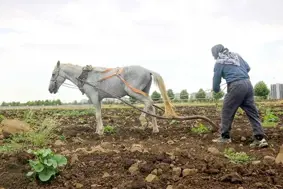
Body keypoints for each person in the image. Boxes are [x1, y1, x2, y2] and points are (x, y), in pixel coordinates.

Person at [211, 44, 268, 148]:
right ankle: (260, 138)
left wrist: (216, 89)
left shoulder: (219, 62)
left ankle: (225, 137)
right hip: (248, 84)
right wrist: (239, 74)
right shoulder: (236, 55)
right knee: (252, 112)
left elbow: (216, 80)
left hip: (236, 86)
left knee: (227, 111)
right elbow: (248, 67)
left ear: (215, 53)